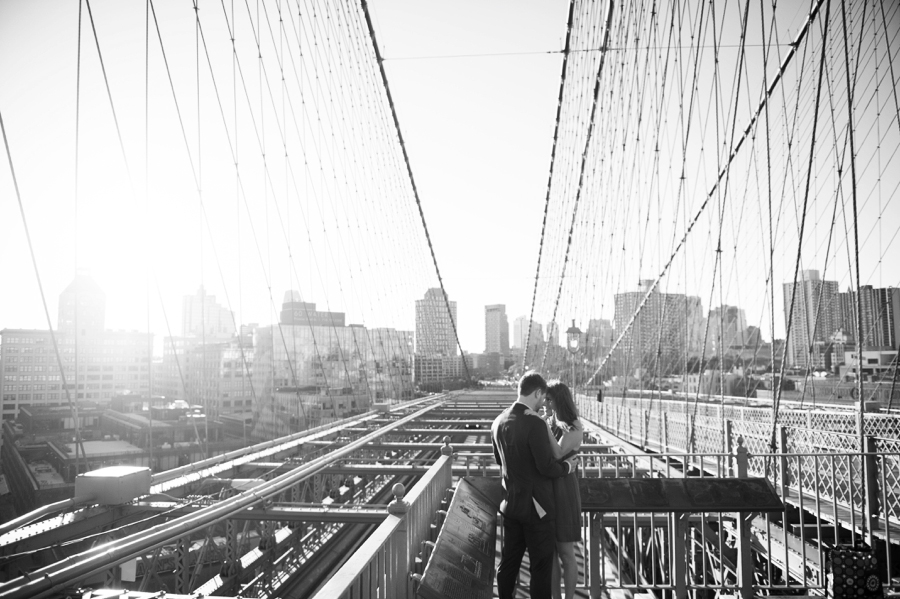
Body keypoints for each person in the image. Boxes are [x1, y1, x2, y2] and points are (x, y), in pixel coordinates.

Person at [492, 371, 578, 599]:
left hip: (510, 507)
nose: (543, 403)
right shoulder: (535, 423)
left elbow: (499, 462)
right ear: (538, 392)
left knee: (508, 564)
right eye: (543, 398)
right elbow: (547, 467)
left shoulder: (498, 422)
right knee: (540, 568)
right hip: (538, 510)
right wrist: (568, 468)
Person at [544, 381, 584, 599]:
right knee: (550, 555)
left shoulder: (575, 426)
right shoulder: (549, 422)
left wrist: (543, 427)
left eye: (549, 399)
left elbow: (559, 453)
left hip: (564, 493)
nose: (545, 403)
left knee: (566, 554)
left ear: (559, 400)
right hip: (547, 491)